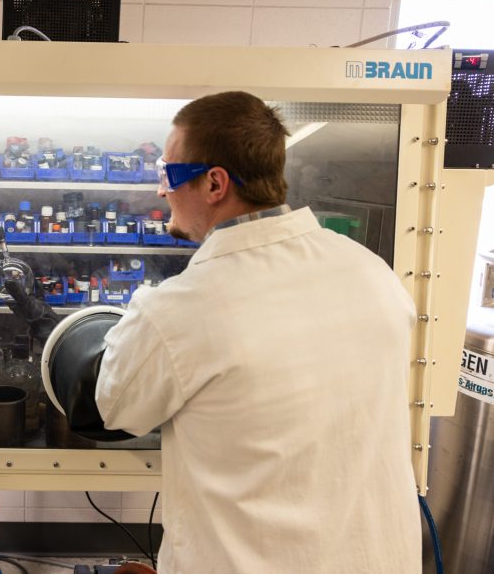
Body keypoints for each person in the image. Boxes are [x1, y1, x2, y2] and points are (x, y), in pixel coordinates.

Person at [94, 91, 420, 572]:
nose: (161, 191)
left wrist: (139, 312)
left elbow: (117, 407)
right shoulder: (372, 271)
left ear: (214, 184)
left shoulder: (184, 308)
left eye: (168, 173)